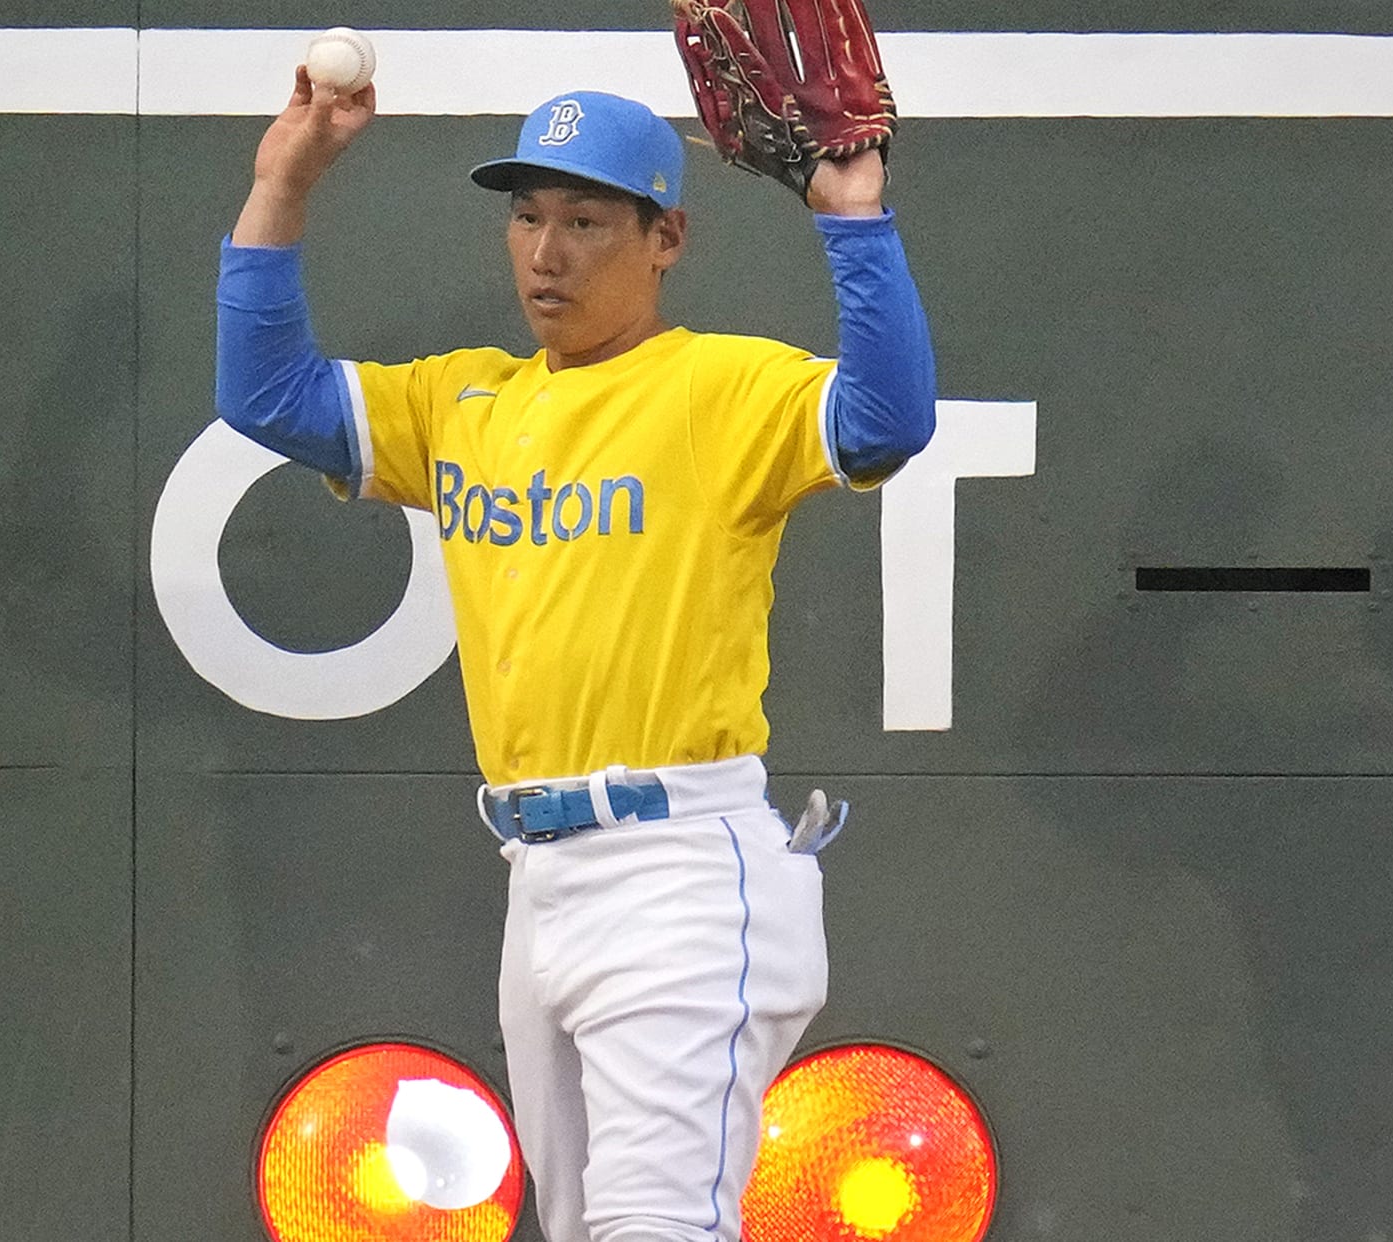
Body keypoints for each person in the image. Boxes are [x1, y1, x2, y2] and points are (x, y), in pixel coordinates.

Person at [217, 64, 935, 1242]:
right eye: (528, 214)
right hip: (537, 882)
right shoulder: (467, 404)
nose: (547, 251)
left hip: (681, 874)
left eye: (588, 221)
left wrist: (855, 220)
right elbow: (263, 394)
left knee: (653, 1228)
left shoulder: (718, 385)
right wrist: (281, 180)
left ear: (667, 239)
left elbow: (886, 421)